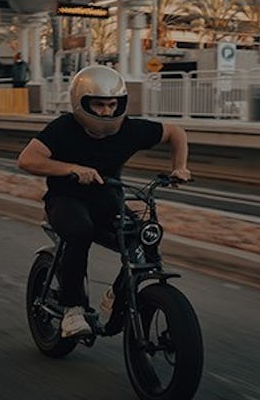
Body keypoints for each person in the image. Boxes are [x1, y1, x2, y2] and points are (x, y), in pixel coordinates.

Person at [17, 65, 191, 338]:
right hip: (65, 200)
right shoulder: (64, 128)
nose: (107, 111)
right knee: (79, 231)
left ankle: (117, 294)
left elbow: (176, 133)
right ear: (80, 102)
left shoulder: (130, 129)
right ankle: (72, 309)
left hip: (107, 200)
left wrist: (179, 167)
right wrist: (71, 168)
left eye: (112, 104)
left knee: (144, 237)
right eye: (98, 105)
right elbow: (27, 159)